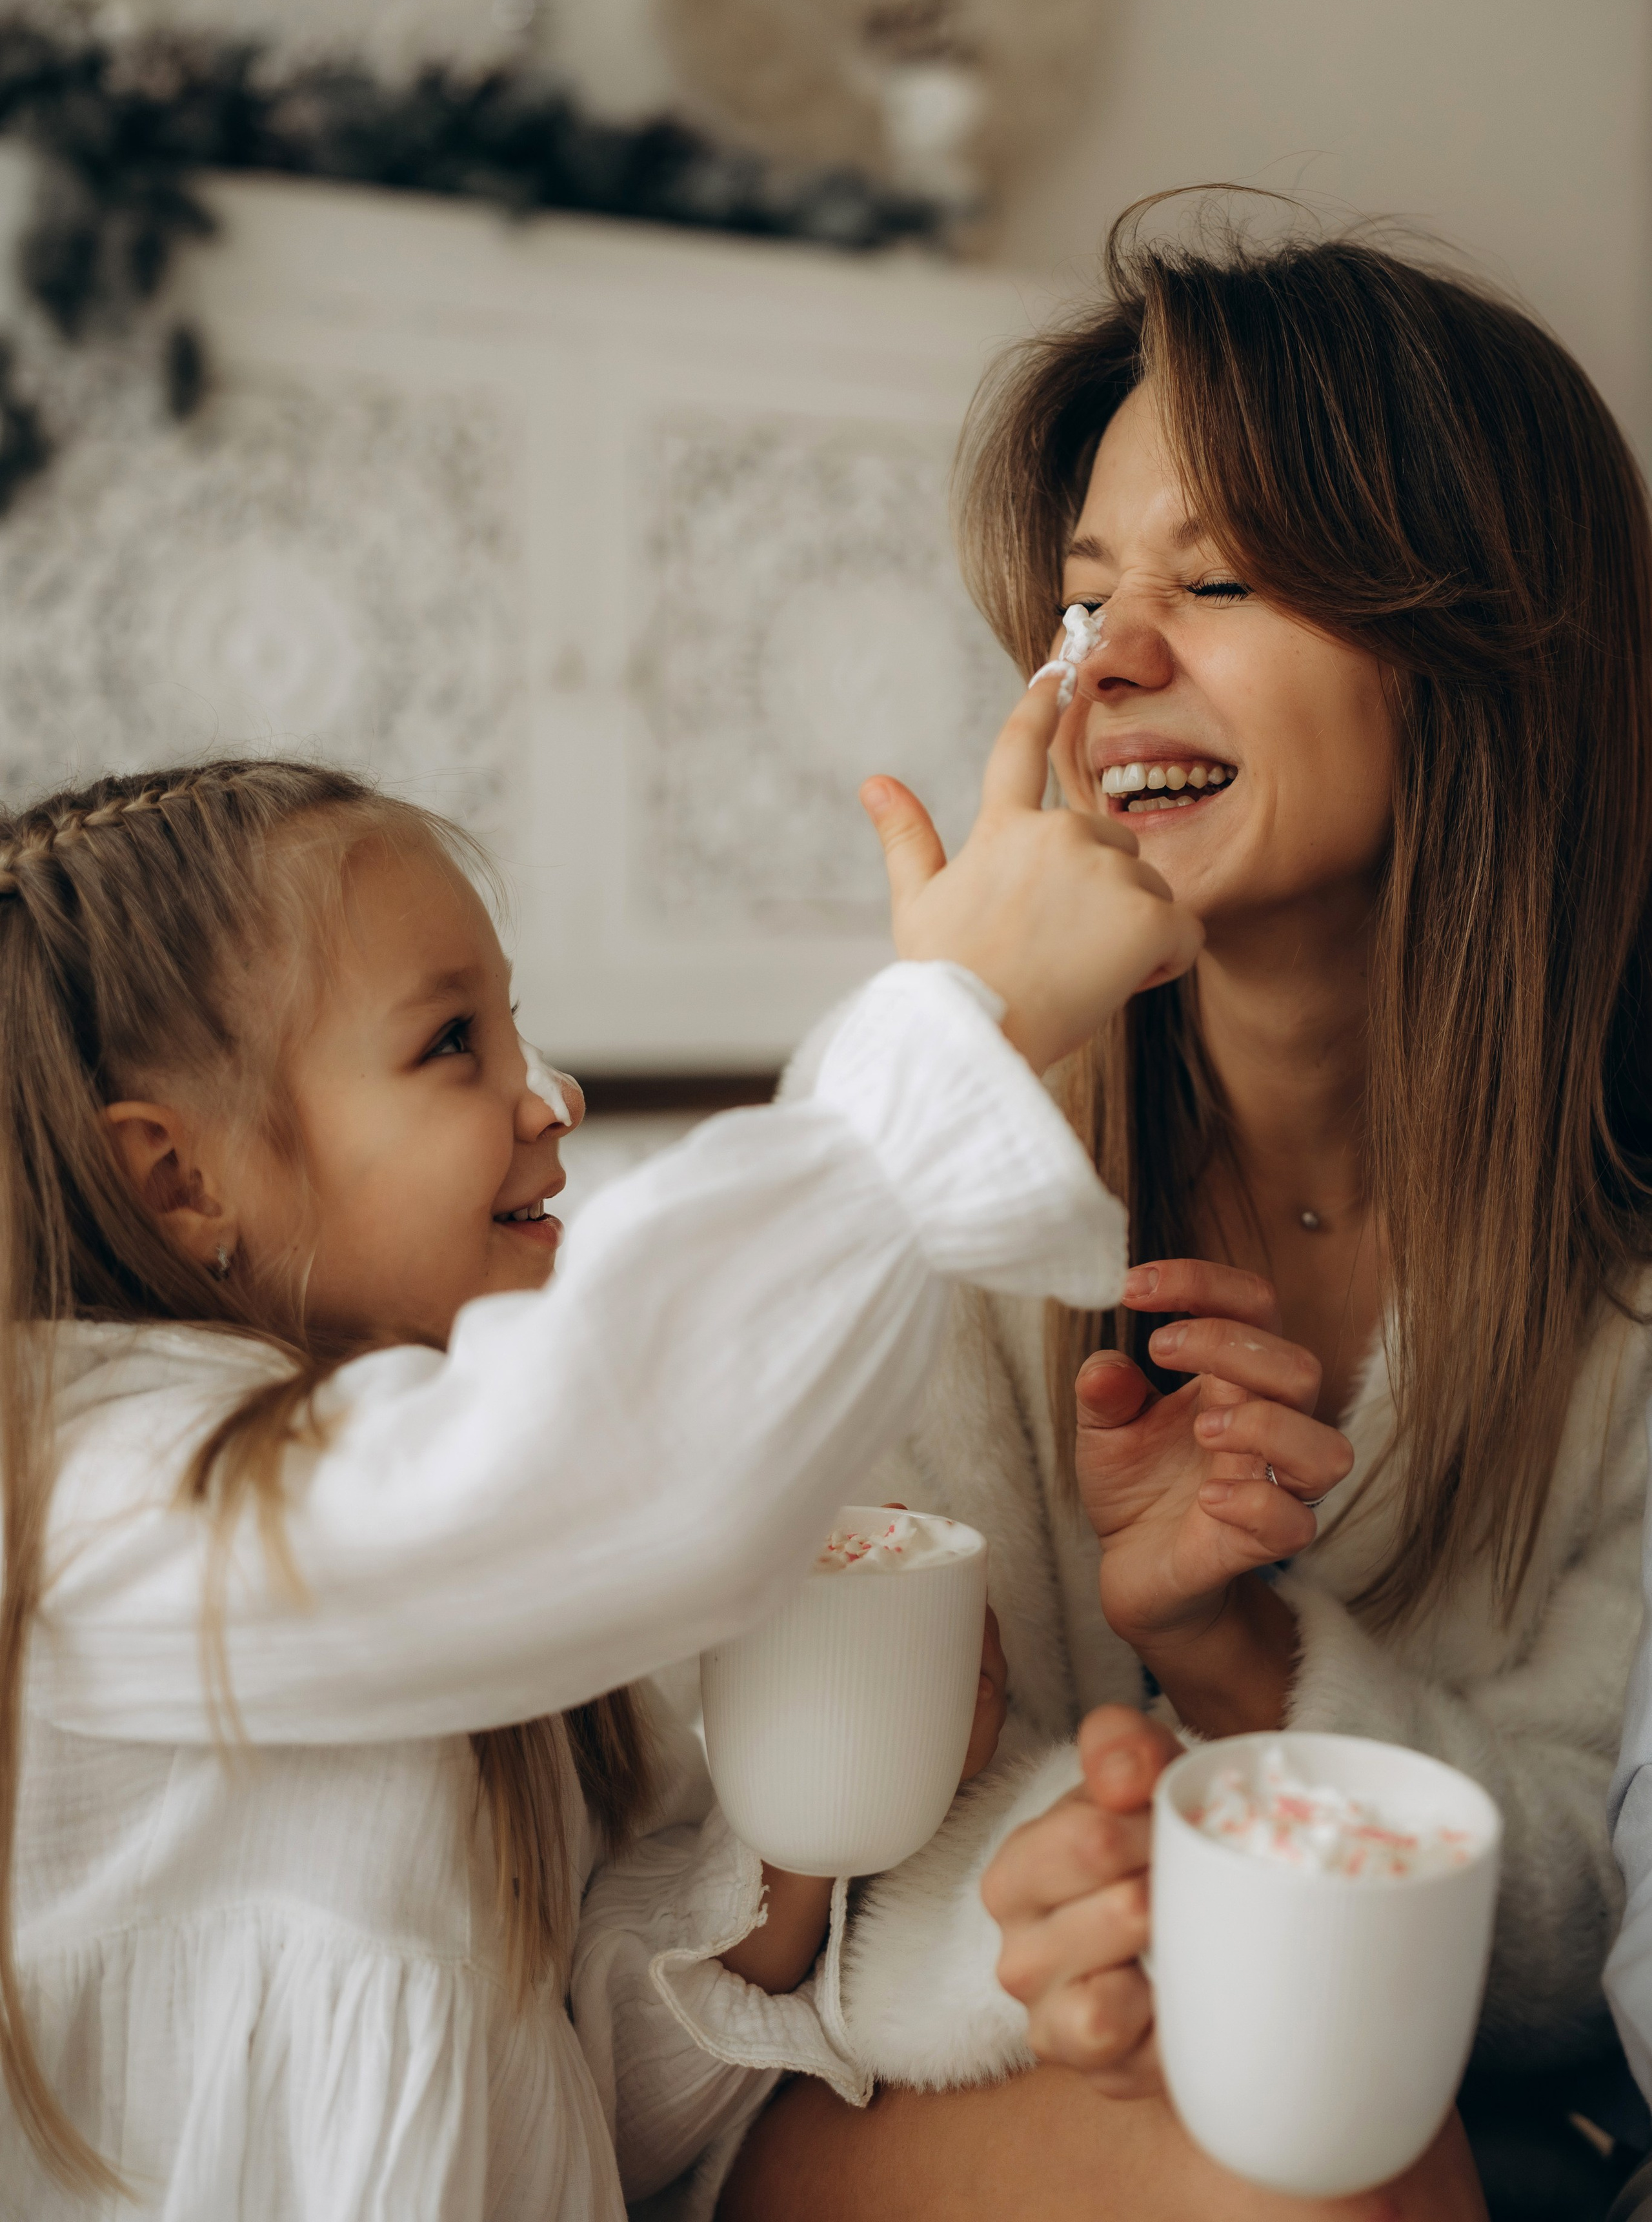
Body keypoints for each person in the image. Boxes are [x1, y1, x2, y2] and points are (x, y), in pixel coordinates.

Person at [716, 207, 1652, 2221]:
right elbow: (765, 1840)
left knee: (1338, 2137)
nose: (1109, 657)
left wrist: (1240, 1660)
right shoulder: (943, 1143)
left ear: (1479, 651)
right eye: (1082, 596)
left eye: (1216, 578)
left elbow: (1597, 1923)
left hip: (1362, 2107)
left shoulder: (1623, 1283)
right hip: (877, 2071)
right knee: (1323, 2158)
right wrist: (1112, 1894)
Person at [0, 694, 1199, 2218]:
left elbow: (574, 2118)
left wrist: (794, 1859)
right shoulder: (87, 1498)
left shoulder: (439, 1541)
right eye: (450, 1044)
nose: (549, 1097)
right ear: (180, 1180)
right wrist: (965, 1017)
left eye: (515, 1026)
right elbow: (625, 1454)